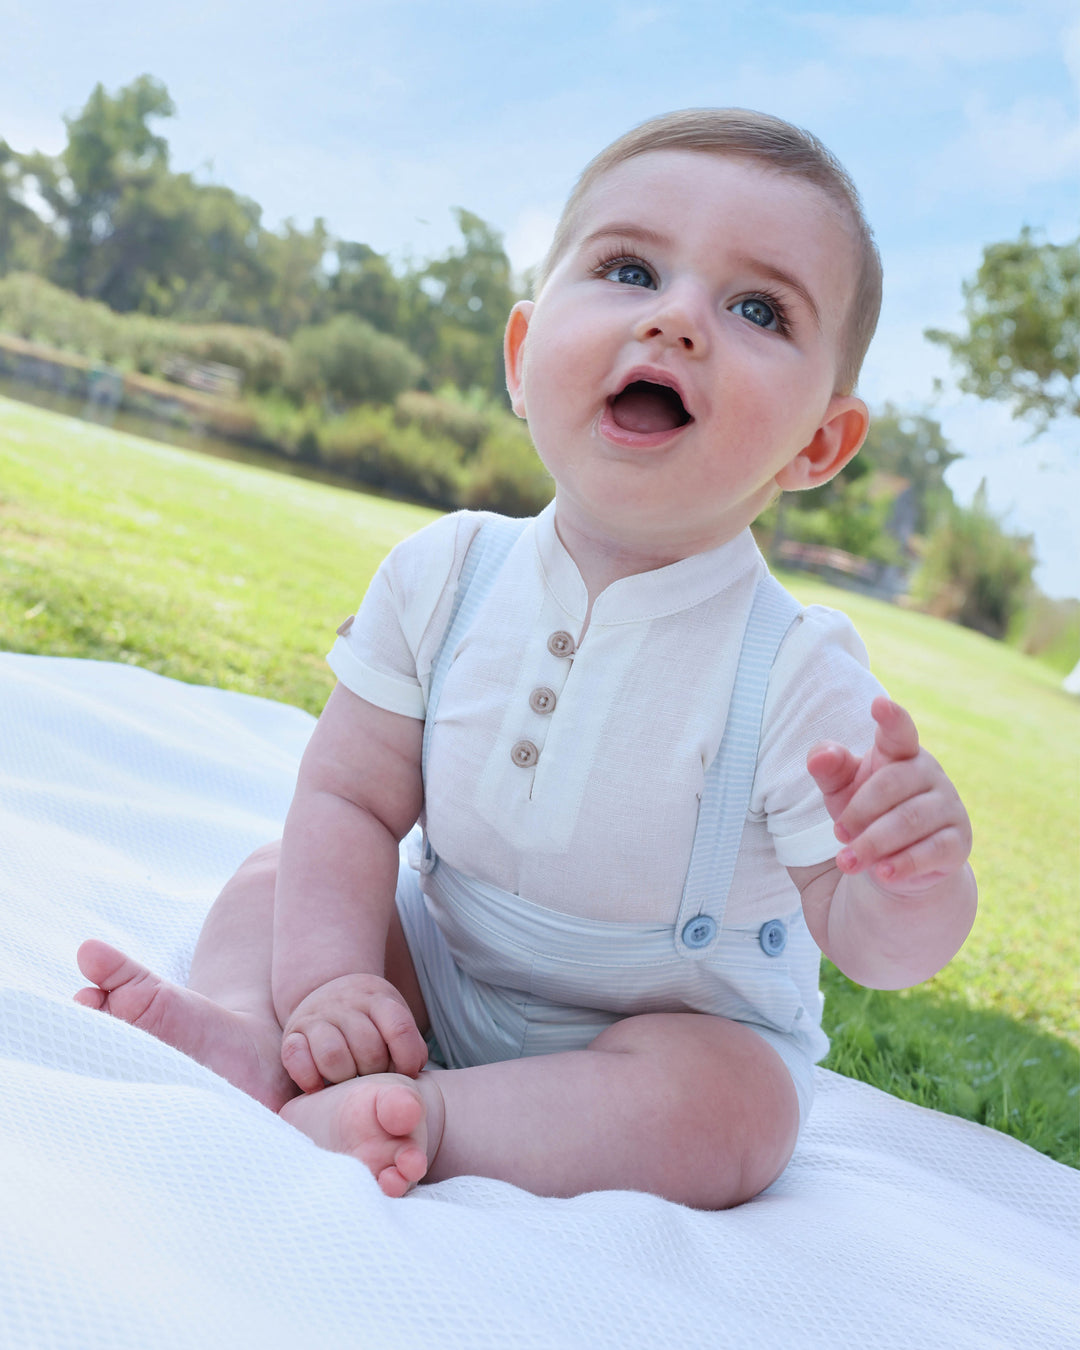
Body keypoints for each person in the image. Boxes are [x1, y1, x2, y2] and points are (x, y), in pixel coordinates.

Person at [74, 108, 977, 1210]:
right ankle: (270, 1043)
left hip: (654, 1038)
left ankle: (435, 1121)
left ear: (819, 446)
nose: (677, 320)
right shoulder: (443, 574)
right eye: (630, 268)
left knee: (733, 1108)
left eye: (756, 308)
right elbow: (351, 800)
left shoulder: (797, 672)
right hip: (440, 976)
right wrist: (334, 984)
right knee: (278, 882)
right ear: (521, 353)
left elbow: (869, 942)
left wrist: (912, 882)